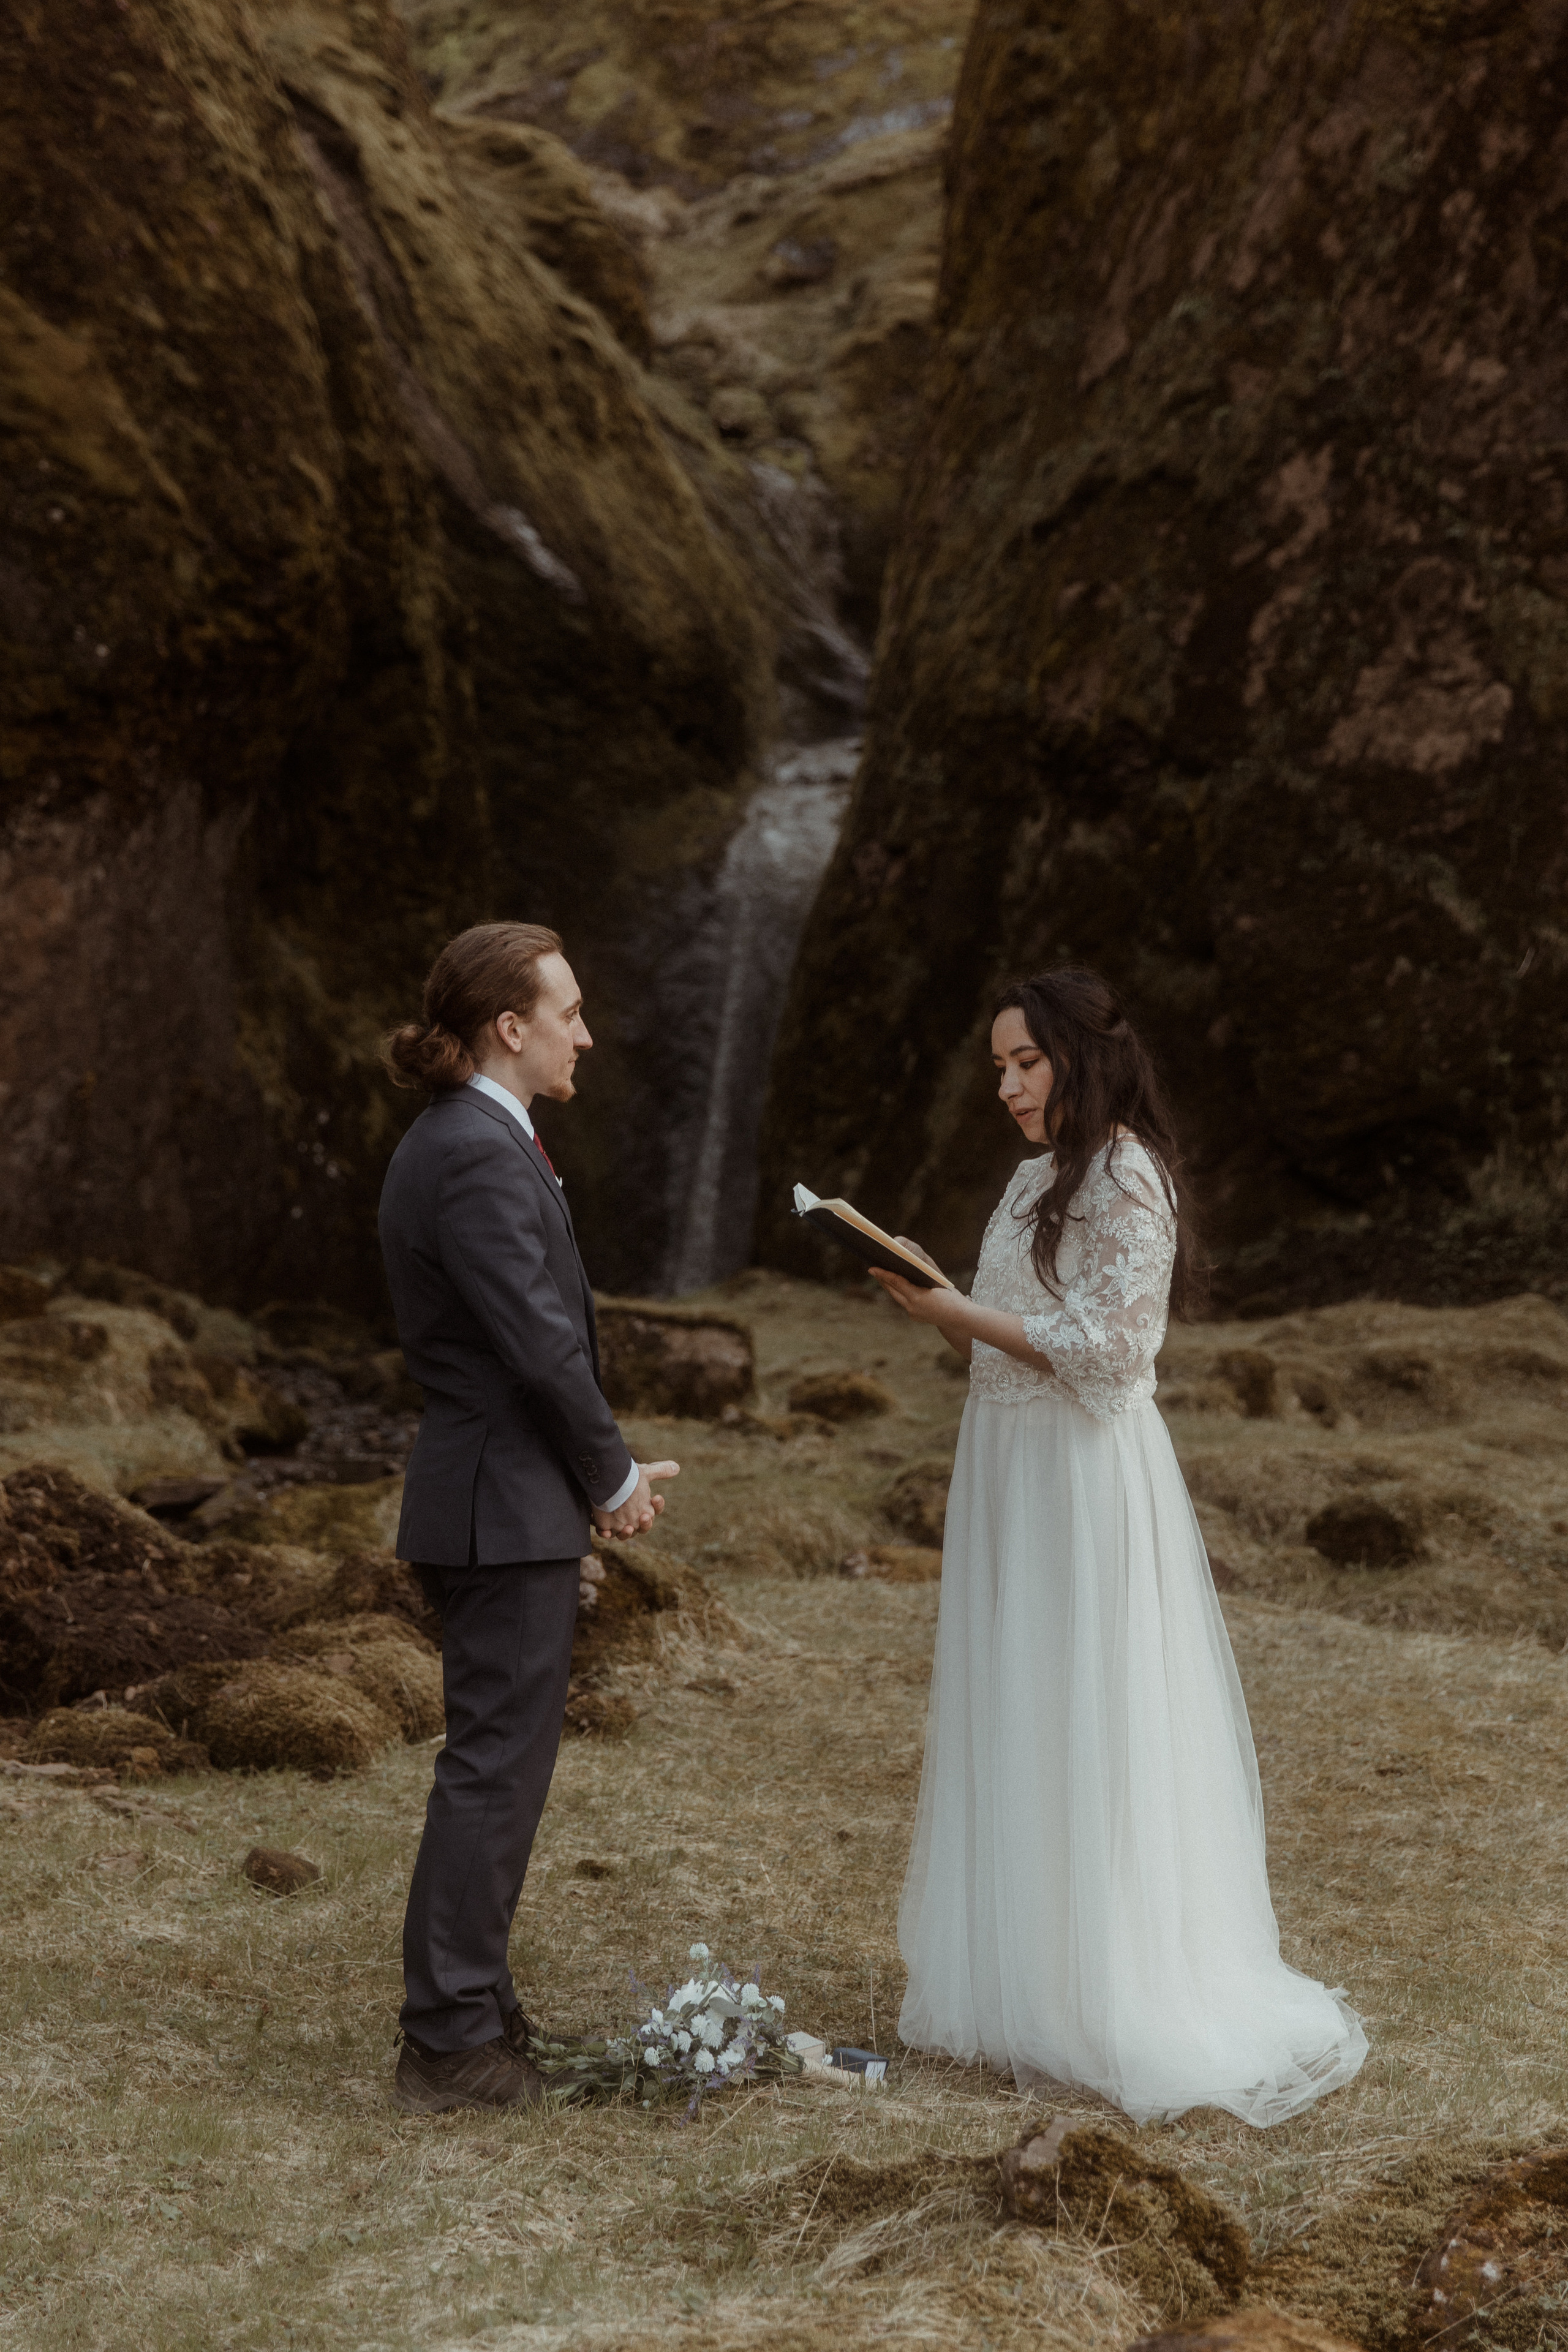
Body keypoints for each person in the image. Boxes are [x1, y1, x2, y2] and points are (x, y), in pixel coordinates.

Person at [870, 967, 1366, 2125]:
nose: (1007, 1085)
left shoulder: (1129, 1177)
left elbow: (1102, 1349)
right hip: (1007, 1464)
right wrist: (942, 1301)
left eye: (1026, 1062)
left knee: (1088, 1705)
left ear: (1081, 1058)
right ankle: (1026, 1979)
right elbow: (1009, 1347)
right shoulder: (1029, 1181)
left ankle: (1111, 1988)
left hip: (1083, 1475)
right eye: (998, 1067)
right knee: (1020, 1702)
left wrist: (958, 1313)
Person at [378, 921, 678, 2115]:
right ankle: (448, 2042)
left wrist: (592, 1472)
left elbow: (530, 1352)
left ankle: (477, 2008)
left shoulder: (479, 1141)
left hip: (504, 1495)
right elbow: (539, 1349)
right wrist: (607, 1481)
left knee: (503, 1767)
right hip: (494, 1506)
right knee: (494, 1770)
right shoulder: (473, 1151)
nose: (585, 1034)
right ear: (511, 1025)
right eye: (569, 1011)